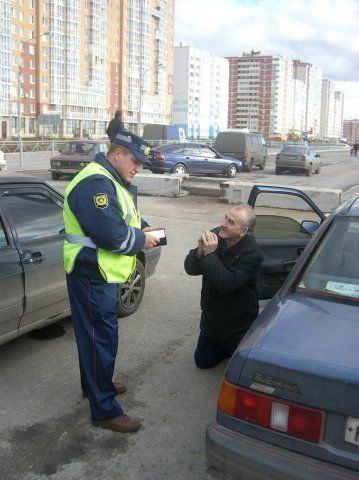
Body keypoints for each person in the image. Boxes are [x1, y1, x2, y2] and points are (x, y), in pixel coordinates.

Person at [63, 130, 163, 432]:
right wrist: (142, 240)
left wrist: (145, 228)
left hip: (99, 273)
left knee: (93, 337)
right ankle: (104, 408)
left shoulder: (112, 179)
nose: (139, 167)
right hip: (93, 273)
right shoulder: (96, 183)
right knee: (100, 339)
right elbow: (113, 235)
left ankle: (94, 385)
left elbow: (123, 218)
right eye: (135, 160)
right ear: (117, 153)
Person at [184, 204, 263, 369]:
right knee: (202, 362)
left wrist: (210, 254)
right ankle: (223, 347)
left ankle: (238, 345)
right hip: (212, 314)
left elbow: (226, 285)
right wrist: (199, 252)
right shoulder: (217, 235)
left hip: (237, 321)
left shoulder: (253, 254)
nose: (223, 223)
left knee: (240, 369)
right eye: (225, 217)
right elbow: (190, 269)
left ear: (243, 231)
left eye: (231, 222)